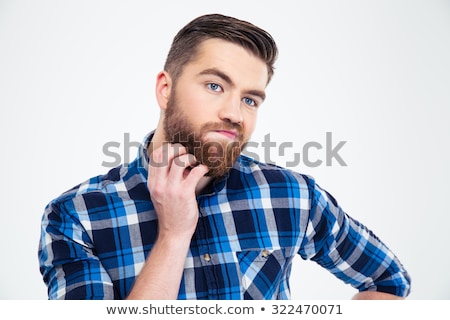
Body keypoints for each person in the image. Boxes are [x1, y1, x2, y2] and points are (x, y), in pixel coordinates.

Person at [38, 13, 411, 300]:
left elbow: (388, 281)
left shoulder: (292, 196)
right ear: (165, 90)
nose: (235, 113)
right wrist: (173, 234)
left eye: (250, 99)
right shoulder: (76, 216)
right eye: (215, 86)